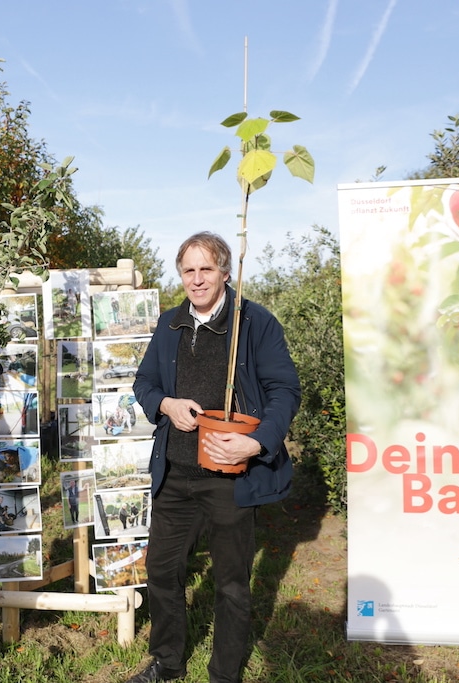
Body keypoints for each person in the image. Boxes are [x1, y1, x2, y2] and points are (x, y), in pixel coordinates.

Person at [130, 231, 301, 683]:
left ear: (226, 272)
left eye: (207, 269)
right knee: (162, 571)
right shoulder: (169, 325)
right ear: (180, 275)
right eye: (189, 270)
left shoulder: (255, 323)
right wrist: (166, 405)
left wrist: (257, 441)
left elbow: (285, 390)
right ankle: (167, 662)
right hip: (176, 471)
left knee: (230, 583)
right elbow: (145, 383)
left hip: (230, 475)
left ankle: (224, 674)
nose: (198, 279)